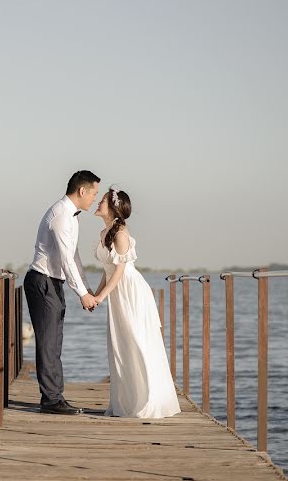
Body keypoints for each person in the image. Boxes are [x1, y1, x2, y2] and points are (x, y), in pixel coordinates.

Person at [92, 187, 181, 418]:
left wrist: (102, 296)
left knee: (136, 340)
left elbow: (119, 271)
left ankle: (148, 400)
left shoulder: (120, 233)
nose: (97, 204)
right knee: (120, 344)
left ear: (112, 208)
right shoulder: (104, 233)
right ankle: (127, 400)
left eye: (101, 201)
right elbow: (107, 270)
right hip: (115, 292)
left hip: (129, 290)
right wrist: (95, 294)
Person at [23, 170, 100, 415]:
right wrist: (82, 294)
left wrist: (85, 286)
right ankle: (51, 400)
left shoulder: (71, 217)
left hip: (53, 282)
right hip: (43, 281)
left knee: (54, 342)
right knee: (48, 342)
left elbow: (73, 256)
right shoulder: (61, 216)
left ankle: (55, 396)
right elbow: (66, 259)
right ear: (82, 191)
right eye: (94, 193)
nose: (95, 199)